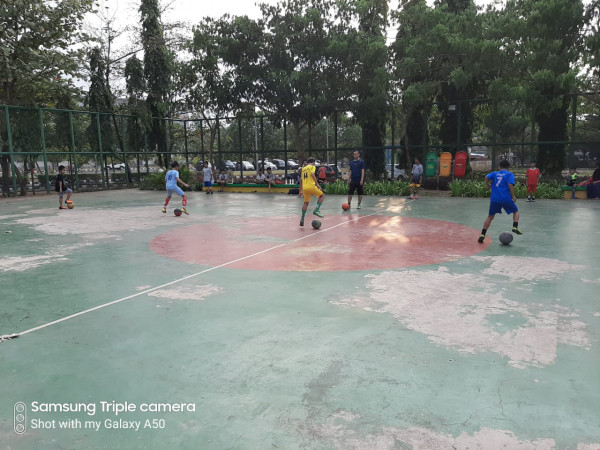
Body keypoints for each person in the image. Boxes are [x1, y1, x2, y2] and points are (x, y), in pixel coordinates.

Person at [478, 159, 523, 243]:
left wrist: (487, 186)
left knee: (490, 216)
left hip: (494, 199)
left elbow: (486, 177)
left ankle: (482, 234)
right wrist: (513, 195)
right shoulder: (509, 174)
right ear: (508, 168)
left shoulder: (495, 173)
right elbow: (510, 184)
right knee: (516, 211)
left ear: (499, 167)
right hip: (506, 198)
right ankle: (515, 226)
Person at [299, 157, 324, 226]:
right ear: (313, 162)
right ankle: (316, 210)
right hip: (311, 186)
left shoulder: (303, 169)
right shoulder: (312, 167)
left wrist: (300, 191)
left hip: (305, 187)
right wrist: (317, 184)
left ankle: (302, 219)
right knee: (322, 196)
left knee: (305, 203)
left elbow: (301, 181)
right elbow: (312, 174)